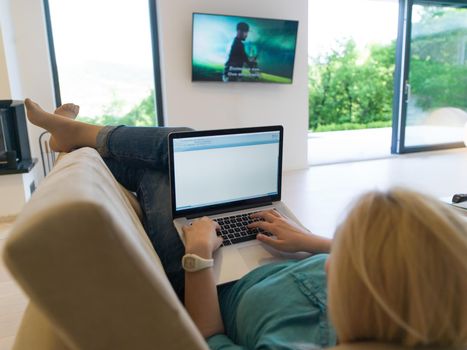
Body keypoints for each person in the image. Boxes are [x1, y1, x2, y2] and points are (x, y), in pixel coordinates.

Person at [24, 99, 467, 350]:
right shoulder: (423, 306)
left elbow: (209, 337)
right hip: (279, 249)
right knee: (181, 151)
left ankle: (78, 137)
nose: (338, 262)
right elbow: (397, 262)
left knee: (167, 158)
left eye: (349, 262)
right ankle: (79, 137)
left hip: (213, 282)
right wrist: (310, 240)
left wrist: (198, 257)